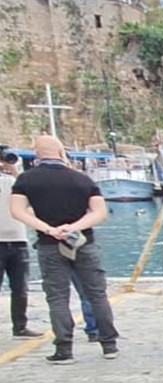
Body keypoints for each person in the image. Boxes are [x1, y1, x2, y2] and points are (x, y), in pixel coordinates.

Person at [8, 135, 117, 363]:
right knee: (96, 294)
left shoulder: (26, 180)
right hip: (83, 241)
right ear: (61, 152)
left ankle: (64, 349)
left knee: (57, 297)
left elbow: (17, 211)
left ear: (37, 153)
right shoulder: (82, 179)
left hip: (50, 244)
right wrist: (73, 227)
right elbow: (99, 212)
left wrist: (49, 229)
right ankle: (109, 344)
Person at [0, 153, 39, 337]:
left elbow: (34, 196)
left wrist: (14, 171)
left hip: (18, 240)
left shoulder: (16, 183)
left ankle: (20, 326)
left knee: (20, 287)